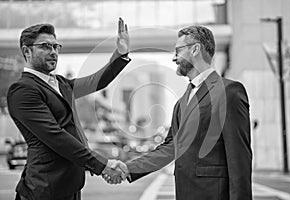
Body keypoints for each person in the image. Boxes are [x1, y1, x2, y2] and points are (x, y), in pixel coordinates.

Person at [104, 25, 253, 200]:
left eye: (178, 50)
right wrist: (129, 168)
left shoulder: (229, 91)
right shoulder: (181, 103)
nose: (174, 58)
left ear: (195, 49)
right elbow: (170, 148)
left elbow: (239, 159)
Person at [7, 18, 130, 200]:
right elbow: (56, 136)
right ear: (27, 51)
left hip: (70, 185)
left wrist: (120, 54)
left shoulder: (62, 84)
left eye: (56, 47)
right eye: (45, 46)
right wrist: (102, 164)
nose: (53, 52)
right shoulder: (23, 90)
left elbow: (97, 81)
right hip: (44, 188)